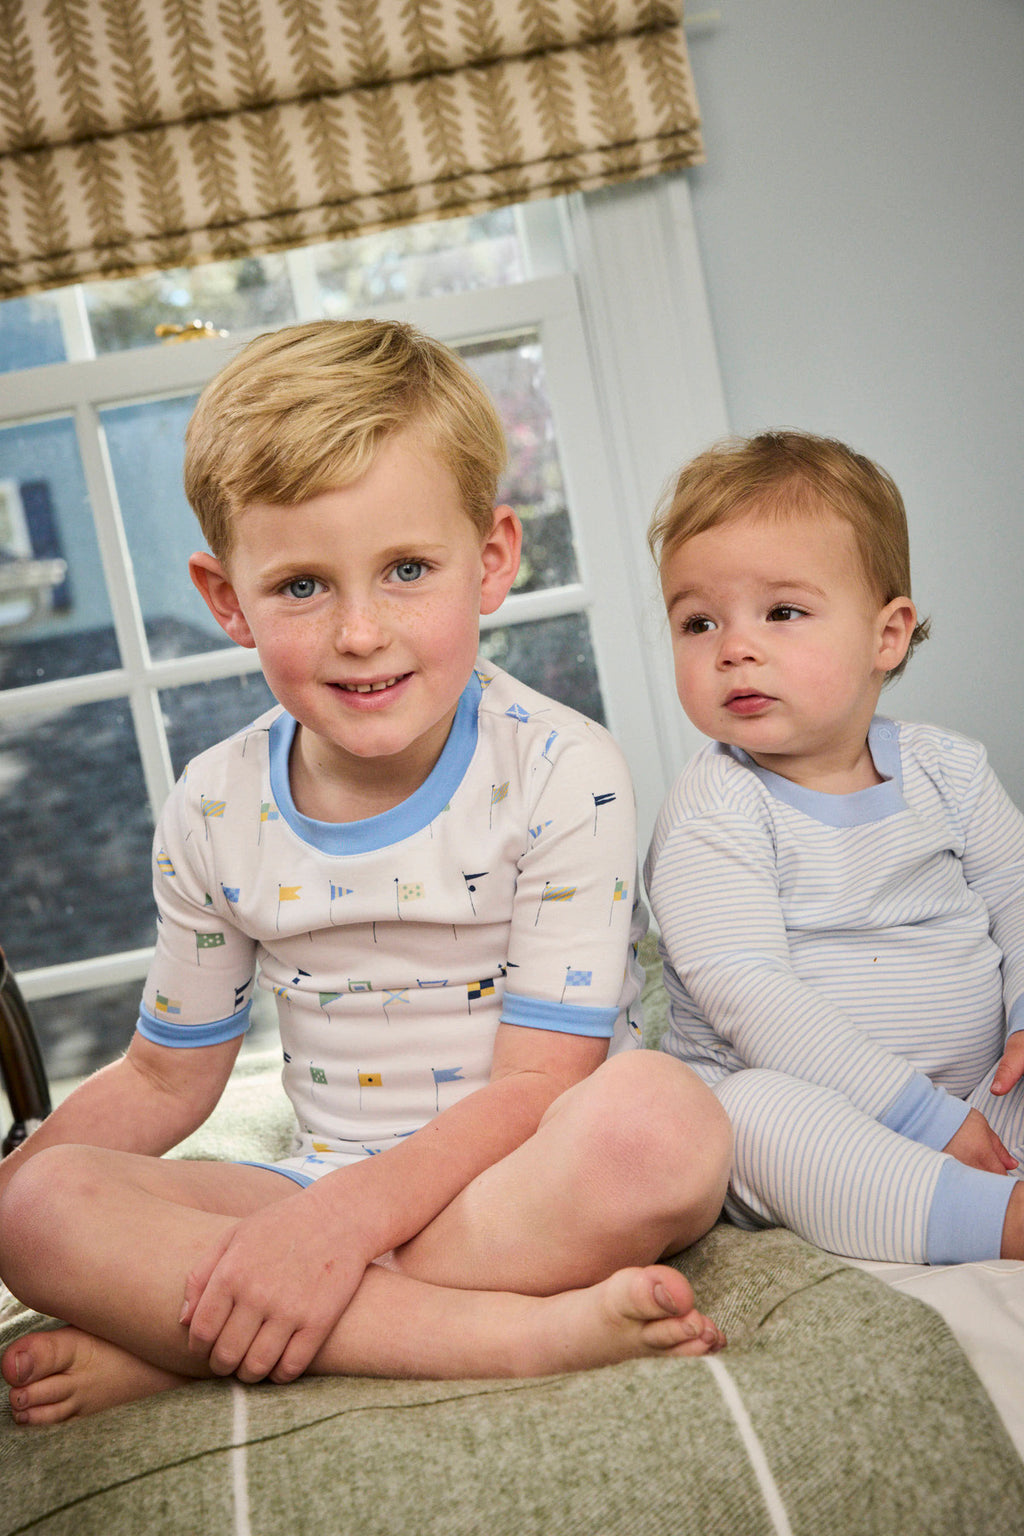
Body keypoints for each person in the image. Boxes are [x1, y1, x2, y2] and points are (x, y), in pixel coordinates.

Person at [0, 320, 730, 1425]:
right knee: (40, 1206)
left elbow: (541, 1086)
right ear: (226, 597)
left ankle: (216, 1340)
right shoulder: (212, 805)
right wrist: (18, 1204)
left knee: (662, 1126)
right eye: (300, 585)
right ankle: (433, 1326)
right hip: (311, 1182)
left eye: (405, 570)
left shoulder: (563, 769)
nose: (359, 630)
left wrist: (339, 1234)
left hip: (514, 1182)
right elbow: (161, 1080)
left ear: (489, 561)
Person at [644, 429, 1024, 1266]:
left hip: (982, 1100)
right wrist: (923, 1119)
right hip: (831, 1119)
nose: (734, 647)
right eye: (698, 622)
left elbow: (1018, 901)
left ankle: (987, 1182)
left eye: (782, 612)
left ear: (887, 636)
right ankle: (993, 1222)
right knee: (743, 1119)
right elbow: (751, 997)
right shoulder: (716, 805)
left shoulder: (949, 772)